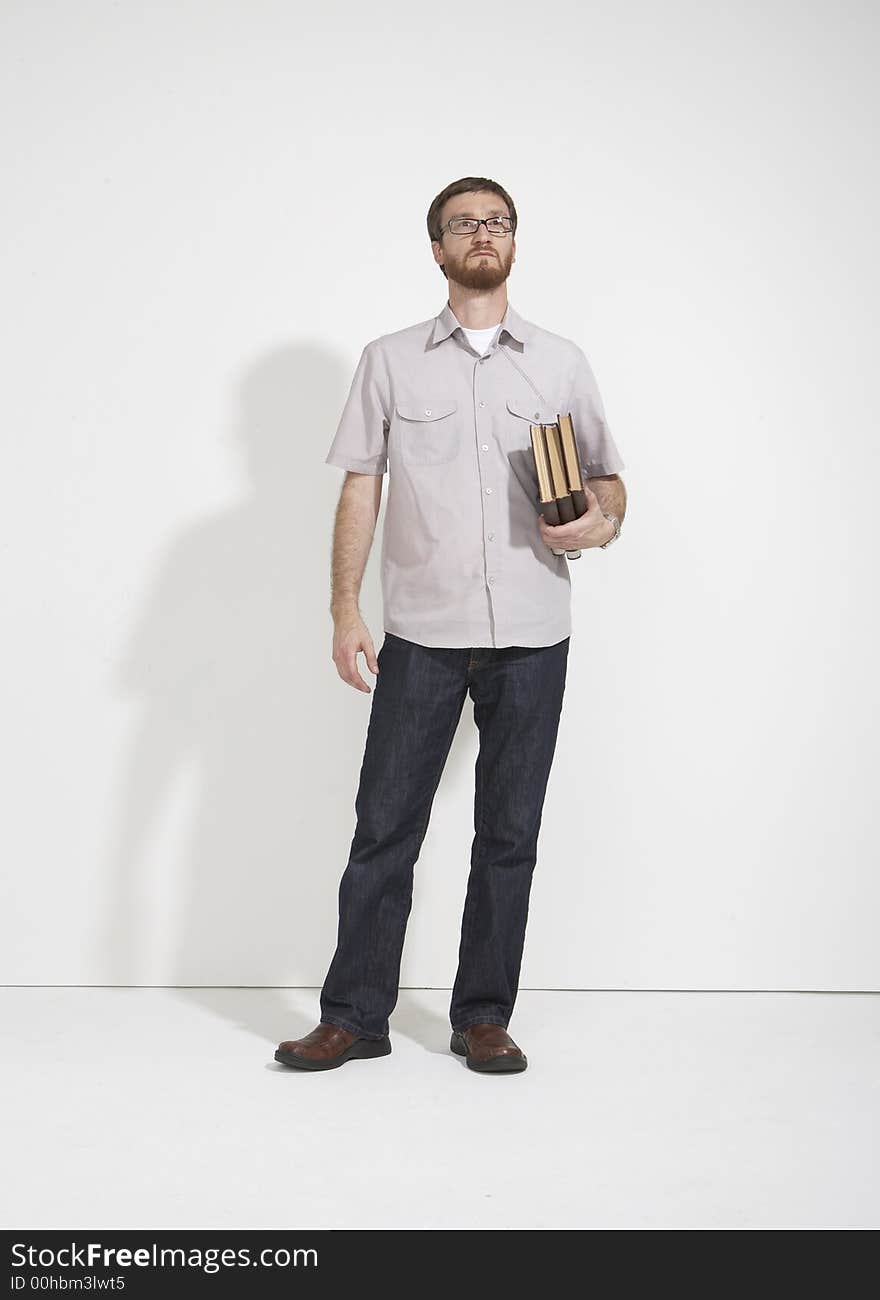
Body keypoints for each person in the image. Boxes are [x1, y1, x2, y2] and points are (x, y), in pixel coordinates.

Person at [275, 176, 627, 1074]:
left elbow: (609, 484)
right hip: (422, 637)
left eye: (498, 221)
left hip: (534, 635)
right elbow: (363, 483)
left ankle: (482, 1016)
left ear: (514, 243)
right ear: (436, 249)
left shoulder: (560, 361)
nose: (484, 233)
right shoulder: (390, 360)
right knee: (384, 830)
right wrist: (344, 608)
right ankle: (354, 1017)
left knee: (509, 835)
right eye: (465, 223)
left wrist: (600, 519)